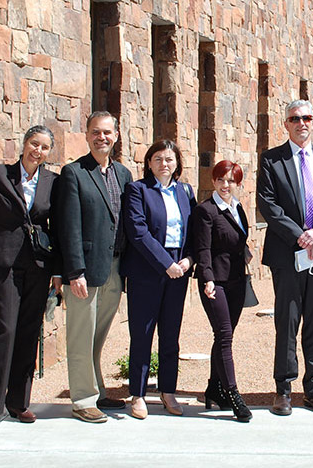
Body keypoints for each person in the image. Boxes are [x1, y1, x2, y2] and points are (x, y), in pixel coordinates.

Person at [257, 99, 313, 416]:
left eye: (307, 117)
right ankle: (283, 391)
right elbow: (268, 205)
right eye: (295, 118)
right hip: (287, 255)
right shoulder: (272, 160)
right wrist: (299, 234)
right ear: (286, 124)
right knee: (287, 322)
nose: (301, 123)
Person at [0, 126, 62, 432]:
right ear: (24, 145)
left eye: (45, 147)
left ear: (50, 153)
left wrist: (59, 272)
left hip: (39, 264)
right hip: (5, 262)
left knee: (29, 331)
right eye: (34, 144)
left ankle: (18, 401)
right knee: (5, 328)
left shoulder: (53, 182)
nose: (38, 150)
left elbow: (58, 227)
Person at [55, 111, 132, 423]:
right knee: (81, 336)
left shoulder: (123, 174)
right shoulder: (73, 173)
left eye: (107, 132)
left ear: (115, 135)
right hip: (85, 271)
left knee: (97, 335)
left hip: (114, 267)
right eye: (96, 132)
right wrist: (74, 272)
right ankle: (83, 400)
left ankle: (97, 390)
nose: (102, 138)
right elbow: (68, 227)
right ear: (86, 136)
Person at [121, 139, 196, 419]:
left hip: (180, 269)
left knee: (170, 335)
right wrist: (166, 264)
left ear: (177, 163)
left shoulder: (185, 192)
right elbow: (138, 232)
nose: (164, 164)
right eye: (158, 159)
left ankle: (168, 391)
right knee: (142, 334)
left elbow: (194, 230)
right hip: (147, 270)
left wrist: (189, 259)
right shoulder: (138, 190)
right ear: (149, 163)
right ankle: (138, 394)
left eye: (169, 159)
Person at [193, 160, 252, 422]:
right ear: (213, 181)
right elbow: (202, 248)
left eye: (230, 180)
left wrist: (246, 252)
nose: (225, 185)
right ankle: (233, 394)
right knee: (225, 335)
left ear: (238, 183)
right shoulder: (206, 210)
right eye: (220, 179)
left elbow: (238, 238)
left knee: (224, 336)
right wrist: (206, 278)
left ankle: (213, 389)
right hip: (214, 280)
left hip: (237, 280)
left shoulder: (237, 207)